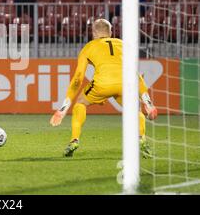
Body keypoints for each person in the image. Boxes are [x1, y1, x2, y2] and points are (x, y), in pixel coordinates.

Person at [50, 19, 158, 158]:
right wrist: (148, 103)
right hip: (125, 83)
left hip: (102, 84)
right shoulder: (123, 44)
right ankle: (141, 138)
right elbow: (136, 74)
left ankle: (74, 140)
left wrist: (63, 109)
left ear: (93, 33)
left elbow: (78, 78)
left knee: (81, 103)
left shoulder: (88, 47)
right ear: (111, 32)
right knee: (135, 110)